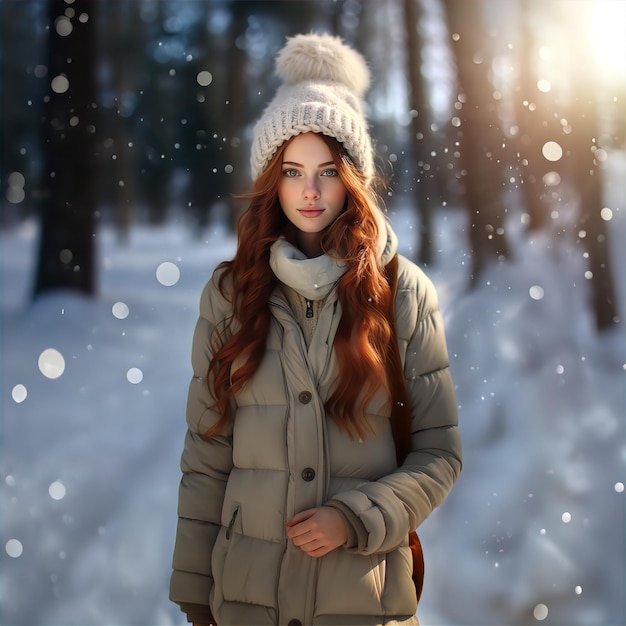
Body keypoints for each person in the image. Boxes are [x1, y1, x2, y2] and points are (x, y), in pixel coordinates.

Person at [169, 32, 462, 626]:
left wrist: (356, 517)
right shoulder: (230, 296)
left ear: (352, 178)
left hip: (362, 603)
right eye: (292, 171)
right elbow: (207, 454)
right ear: (271, 180)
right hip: (246, 599)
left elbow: (439, 454)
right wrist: (195, 595)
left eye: (327, 171)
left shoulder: (403, 293)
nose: (308, 191)